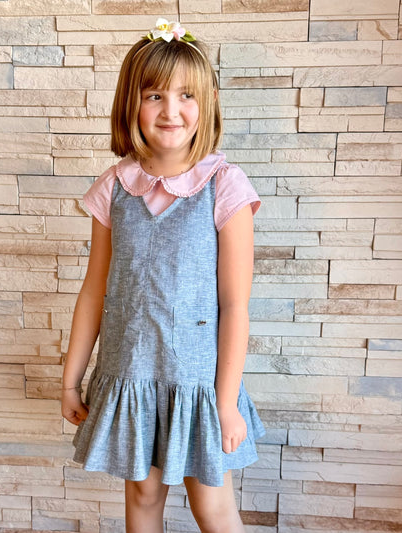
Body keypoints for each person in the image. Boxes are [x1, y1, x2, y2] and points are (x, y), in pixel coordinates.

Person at [61, 18, 265, 533]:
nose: (170, 111)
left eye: (185, 95)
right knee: (144, 496)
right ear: (131, 103)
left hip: (198, 386)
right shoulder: (115, 187)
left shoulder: (224, 186)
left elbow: (235, 305)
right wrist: (70, 380)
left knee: (211, 506)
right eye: (154, 95)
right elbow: (94, 290)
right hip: (132, 375)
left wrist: (225, 403)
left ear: (208, 101)